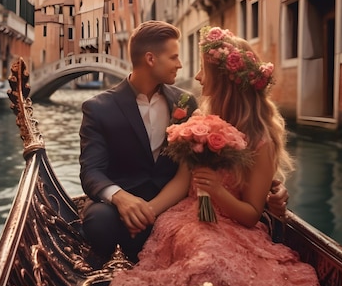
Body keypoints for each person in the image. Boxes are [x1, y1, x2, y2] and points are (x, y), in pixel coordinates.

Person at [104, 26, 326, 286]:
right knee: (200, 247)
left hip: (235, 228)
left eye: (202, 71)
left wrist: (218, 191)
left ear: (221, 81)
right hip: (187, 219)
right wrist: (148, 212)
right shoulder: (200, 122)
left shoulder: (261, 141)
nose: (196, 77)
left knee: (209, 255)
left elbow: (250, 216)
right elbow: (183, 182)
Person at [79, 21, 288, 262]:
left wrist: (274, 189)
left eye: (202, 70)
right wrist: (122, 198)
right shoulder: (99, 108)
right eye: (174, 57)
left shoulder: (186, 103)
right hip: (144, 205)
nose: (183, 67)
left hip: (177, 207)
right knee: (99, 221)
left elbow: (239, 171)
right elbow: (92, 170)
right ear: (150, 59)